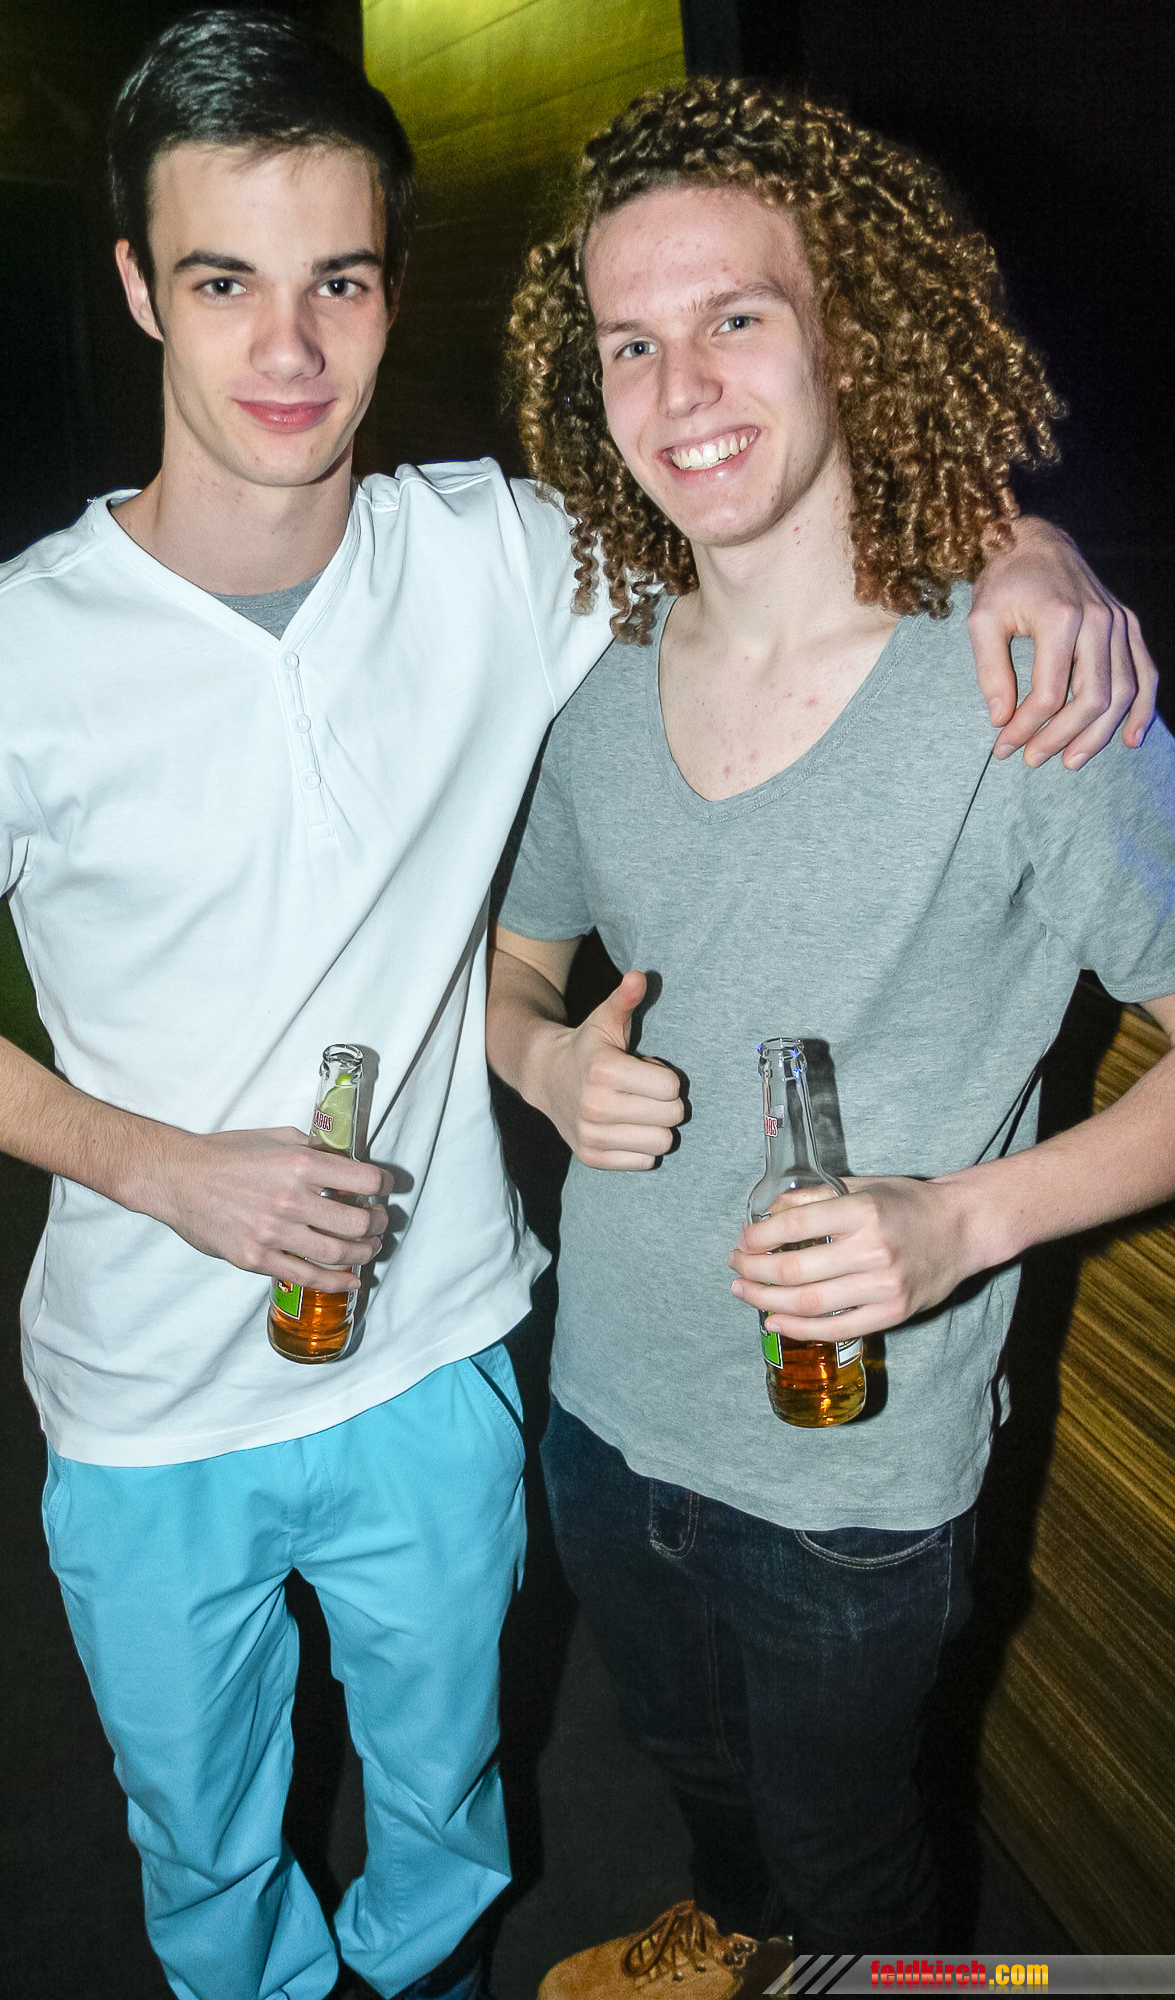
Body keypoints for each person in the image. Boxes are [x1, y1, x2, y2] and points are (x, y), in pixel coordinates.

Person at [0, 15, 1153, 2000]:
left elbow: (766, 479)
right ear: (137, 287)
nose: (289, 348)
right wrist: (174, 1168)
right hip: (154, 1394)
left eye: (339, 281)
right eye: (224, 281)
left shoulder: (500, 558)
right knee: (206, 1849)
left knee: (460, 1821)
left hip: (449, 1350)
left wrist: (1026, 541)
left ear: (393, 291)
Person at [487, 76, 1175, 1984]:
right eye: (631, 340)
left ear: (848, 335)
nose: (680, 386)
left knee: (854, 1866)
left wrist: (959, 1222)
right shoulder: (601, 690)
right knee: (704, 1799)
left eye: (735, 316)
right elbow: (511, 972)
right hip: (601, 1409)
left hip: (850, 1481)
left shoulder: (1024, 684)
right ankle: (731, 1941)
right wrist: (544, 1060)